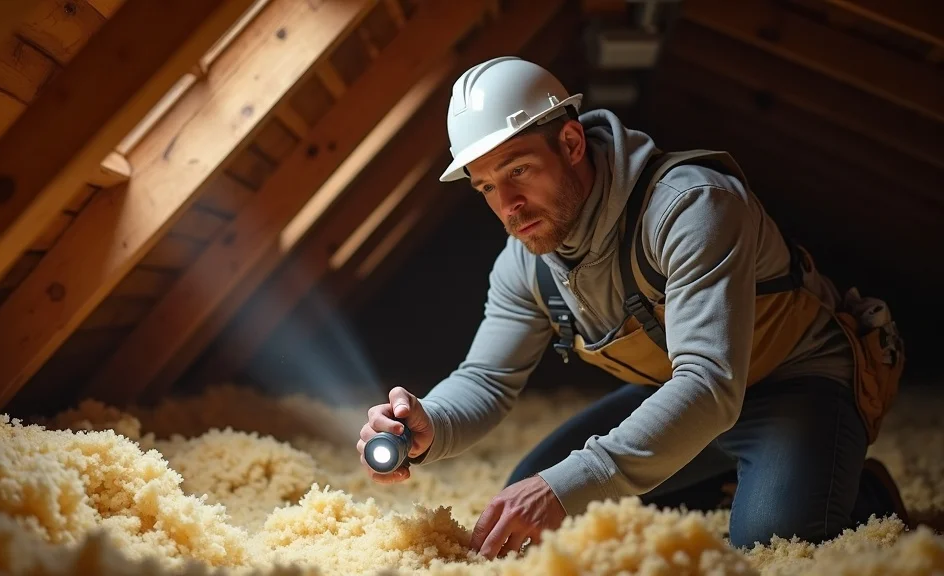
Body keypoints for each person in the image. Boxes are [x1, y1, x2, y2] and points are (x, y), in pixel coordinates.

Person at [356, 56, 909, 559]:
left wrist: (566, 486)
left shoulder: (690, 207)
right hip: (681, 393)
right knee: (530, 504)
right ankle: (734, 479)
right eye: (486, 188)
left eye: (519, 170)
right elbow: (486, 379)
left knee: (770, 543)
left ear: (571, 143)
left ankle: (855, 489)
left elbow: (709, 384)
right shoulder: (527, 258)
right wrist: (429, 423)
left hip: (796, 381)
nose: (509, 206)